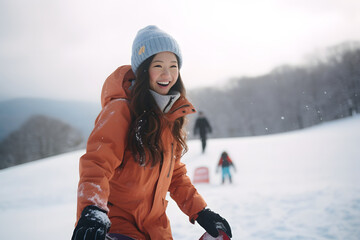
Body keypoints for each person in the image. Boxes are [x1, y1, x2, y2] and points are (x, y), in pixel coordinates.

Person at [71, 25, 232, 240]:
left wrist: (201, 211)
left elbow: (174, 175)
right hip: (116, 227)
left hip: (156, 231)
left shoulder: (168, 116)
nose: (167, 74)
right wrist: (93, 208)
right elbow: (97, 163)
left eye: (173, 66)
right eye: (159, 65)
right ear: (144, 69)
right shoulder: (121, 110)